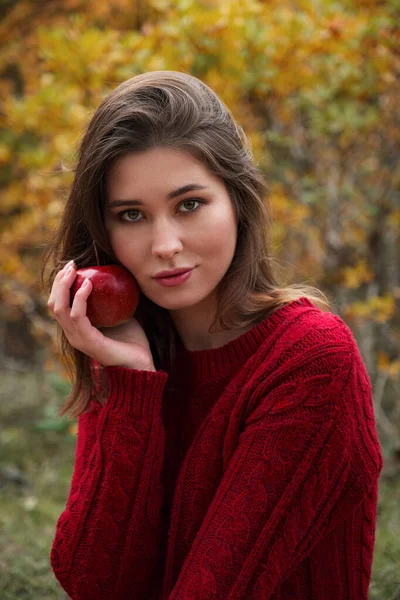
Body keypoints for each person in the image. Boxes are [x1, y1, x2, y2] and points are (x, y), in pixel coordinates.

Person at [42, 70, 383, 599]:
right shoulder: (129, 357)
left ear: (238, 201)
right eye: (132, 215)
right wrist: (130, 383)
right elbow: (96, 583)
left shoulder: (311, 358)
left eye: (189, 204)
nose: (165, 245)